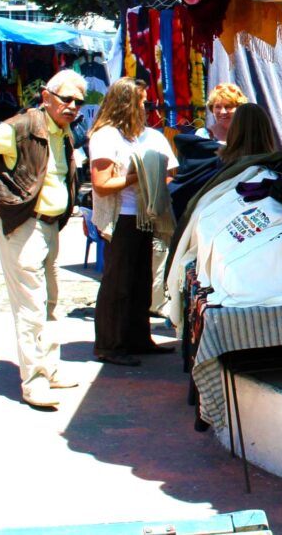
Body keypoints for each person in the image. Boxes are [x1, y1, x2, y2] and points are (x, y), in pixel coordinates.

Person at [0, 70, 87, 409]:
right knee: (31, 307)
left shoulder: (61, 130)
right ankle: (34, 381)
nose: (73, 106)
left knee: (50, 303)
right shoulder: (23, 126)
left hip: (49, 225)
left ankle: (50, 367)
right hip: (25, 224)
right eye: (66, 99)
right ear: (46, 96)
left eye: (78, 101)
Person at [88, 78, 179, 366]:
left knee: (141, 279)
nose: (145, 106)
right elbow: (102, 184)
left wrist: (156, 177)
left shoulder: (148, 135)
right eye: (141, 101)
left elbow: (171, 170)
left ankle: (138, 338)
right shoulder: (106, 137)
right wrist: (139, 176)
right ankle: (109, 344)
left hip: (146, 215)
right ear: (126, 103)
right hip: (121, 217)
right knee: (118, 283)